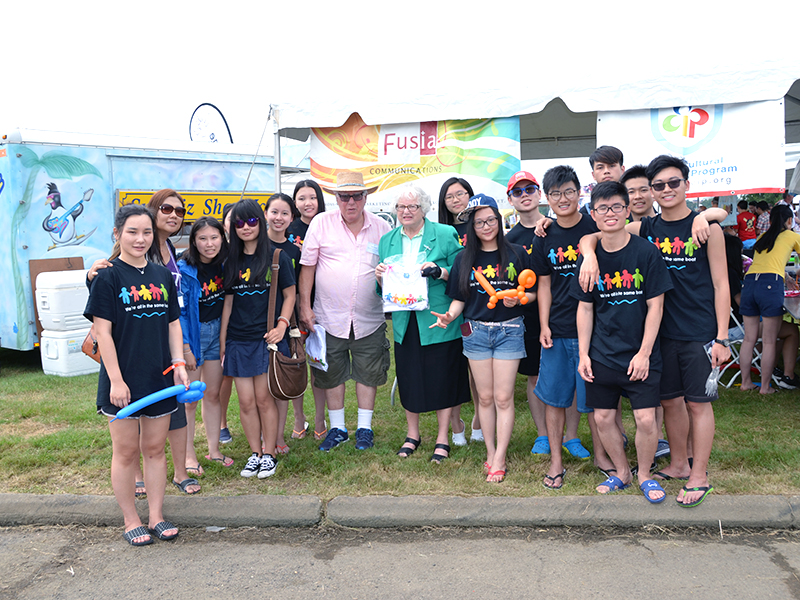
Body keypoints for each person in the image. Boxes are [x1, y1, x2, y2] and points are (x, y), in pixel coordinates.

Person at [579, 155, 731, 508]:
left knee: (698, 404)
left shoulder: (707, 229)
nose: (665, 190)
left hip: (698, 330)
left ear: (686, 186)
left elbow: (722, 285)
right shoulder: (645, 228)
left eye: (673, 183)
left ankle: (699, 474)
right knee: (671, 402)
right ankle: (678, 463)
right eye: (658, 185)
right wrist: (587, 253)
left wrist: (722, 336)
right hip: (661, 334)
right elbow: (597, 233)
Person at [84, 204, 187, 546]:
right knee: (126, 452)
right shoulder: (107, 276)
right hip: (122, 380)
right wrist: (115, 379)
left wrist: (179, 363)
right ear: (117, 234)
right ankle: (131, 519)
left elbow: (173, 323)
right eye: (132, 232)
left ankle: (156, 515)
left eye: (146, 232)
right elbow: (102, 332)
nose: (140, 239)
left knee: (155, 449)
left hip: (159, 377)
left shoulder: (161, 275)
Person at [574, 182, 672, 503]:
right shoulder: (589, 258)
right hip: (602, 354)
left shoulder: (646, 252)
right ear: (594, 215)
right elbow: (585, 308)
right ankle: (621, 472)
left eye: (617, 206)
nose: (610, 213)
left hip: (641, 354)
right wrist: (584, 354)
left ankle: (644, 474)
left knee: (645, 418)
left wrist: (644, 353)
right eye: (602, 208)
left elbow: (656, 306)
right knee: (603, 417)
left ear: (627, 210)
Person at [432, 193, 534, 483]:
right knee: (485, 398)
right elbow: (459, 300)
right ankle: (490, 451)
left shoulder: (515, 253)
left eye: (491, 220)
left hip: (510, 330)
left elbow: (533, 291)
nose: (486, 226)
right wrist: (449, 316)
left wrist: (520, 299)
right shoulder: (465, 258)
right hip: (475, 332)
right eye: (480, 222)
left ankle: (500, 456)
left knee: (503, 397)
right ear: (472, 227)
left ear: (498, 221)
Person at [298, 171, 391, 451]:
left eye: (356, 196)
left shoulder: (381, 227)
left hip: (369, 317)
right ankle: (337, 428)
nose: (350, 202)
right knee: (330, 373)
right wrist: (305, 306)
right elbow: (308, 268)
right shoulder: (321, 223)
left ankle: (365, 428)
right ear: (336, 198)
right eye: (344, 196)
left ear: (366, 197)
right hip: (328, 316)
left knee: (368, 371)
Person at [376, 185, 469, 463]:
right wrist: (380, 278)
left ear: (424, 209)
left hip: (439, 317)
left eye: (412, 207)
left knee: (443, 377)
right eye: (401, 207)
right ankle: (412, 434)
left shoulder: (444, 234)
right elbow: (382, 290)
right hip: (405, 320)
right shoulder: (387, 240)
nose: (405, 212)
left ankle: (443, 438)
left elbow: (461, 273)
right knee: (409, 376)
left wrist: (439, 271)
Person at [531, 165, 603, 489]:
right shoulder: (543, 236)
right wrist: (544, 324)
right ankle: (556, 463)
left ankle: (603, 457)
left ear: (579, 193)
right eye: (556, 193)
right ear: (548, 198)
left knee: (595, 402)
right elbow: (543, 285)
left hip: (596, 330)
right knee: (555, 399)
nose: (563, 198)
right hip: (557, 329)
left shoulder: (595, 227)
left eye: (569, 191)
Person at [220, 199, 296, 478]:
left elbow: (290, 295)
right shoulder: (230, 260)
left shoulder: (277, 257)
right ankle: (255, 453)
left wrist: (282, 325)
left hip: (267, 339)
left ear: (260, 222)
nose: (245, 227)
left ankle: (271, 452)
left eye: (251, 221)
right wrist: (224, 341)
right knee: (246, 401)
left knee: (265, 398)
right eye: (239, 223)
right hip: (238, 341)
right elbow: (228, 304)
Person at [503, 170, 553, 455]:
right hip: (527, 317)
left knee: (566, 377)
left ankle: (570, 436)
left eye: (529, 190)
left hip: (562, 313)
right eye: (517, 192)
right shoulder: (509, 239)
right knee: (534, 377)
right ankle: (543, 435)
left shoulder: (557, 227)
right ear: (510, 199)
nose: (524, 196)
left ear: (539, 194)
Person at [178, 217, 233, 469]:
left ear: (222, 238)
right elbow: (179, 313)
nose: (209, 244)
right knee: (190, 399)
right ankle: (189, 456)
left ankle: (214, 450)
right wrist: (186, 348)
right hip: (193, 335)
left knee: (212, 394)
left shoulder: (226, 264)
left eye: (214, 237)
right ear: (193, 241)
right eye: (202, 238)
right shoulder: (184, 269)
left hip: (216, 334)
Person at [437, 177, 483, 444]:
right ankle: (456, 424)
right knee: (453, 370)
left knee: (478, 372)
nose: (457, 200)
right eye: (450, 197)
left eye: (461, 194)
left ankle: (479, 420)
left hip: (480, 305)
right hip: (451, 306)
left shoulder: (481, 225)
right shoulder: (440, 231)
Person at [739, 204, 800, 394]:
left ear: (771, 220)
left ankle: (745, 382)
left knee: (749, 339)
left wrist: (787, 277)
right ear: (789, 221)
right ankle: (765, 387)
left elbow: (768, 262)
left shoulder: (762, 238)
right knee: (769, 340)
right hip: (770, 285)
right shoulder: (792, 235)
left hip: (750, 283)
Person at [287, 180, 328, 441]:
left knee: (319, 364)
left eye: (312, 197)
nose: (307, 203)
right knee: (296, 363)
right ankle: (299, 417)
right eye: (301, 198)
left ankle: (321, 418)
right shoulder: (289, 229)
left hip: (324, 304)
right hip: (293, 306)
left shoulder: (328, 226)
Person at [265, 192, 304, 454]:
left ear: (292, 218)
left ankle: (278, 437)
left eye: (285, 213)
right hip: (253, 325)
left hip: (283, 325)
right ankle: (263, 437)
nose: (279, 218)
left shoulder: (294, 252)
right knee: (259, 387)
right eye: (274, 212)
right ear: (265, 213)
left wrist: (292, 324)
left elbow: (296, 291)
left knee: (279, 380)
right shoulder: (252, 246)